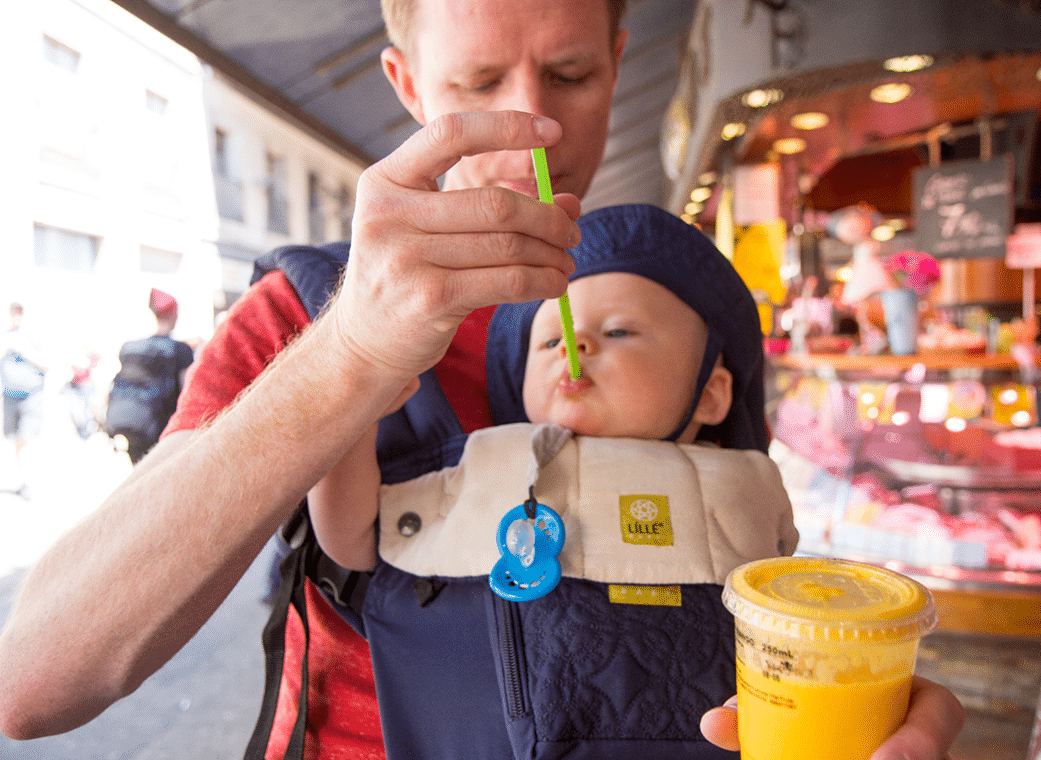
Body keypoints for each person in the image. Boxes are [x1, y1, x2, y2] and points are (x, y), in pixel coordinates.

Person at [0, 0, 963, 757]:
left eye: (573, 73)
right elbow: (35, 679)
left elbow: (739, 581)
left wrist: (850, 698)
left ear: (621, 62)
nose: (531, 121)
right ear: (407, 82)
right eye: (477, 81)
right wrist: (351, 354)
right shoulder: (310, 308)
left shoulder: (668, 312)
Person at [307, 204, 797, 757]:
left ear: (712, 394)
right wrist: (351, 406)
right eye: (547, 342)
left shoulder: (751, 482)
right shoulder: (485, 461)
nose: (575, 342)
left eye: (619, 330)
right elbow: (353, 539)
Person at [104, 289, 195, 464]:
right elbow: (187, 393)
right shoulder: (180, 350)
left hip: (132, 423)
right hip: (162, 430)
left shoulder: (130, 347)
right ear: (174, 316)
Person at [0, 303, 49, 499]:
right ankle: (24, 479)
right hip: (10, 397)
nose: (16, 316)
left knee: (27, 439)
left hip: (31, 398)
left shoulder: (34, 337)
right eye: (14, 312)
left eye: (20, 312)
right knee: (15, 440)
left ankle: (30, 482)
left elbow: (48, 363)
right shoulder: (5, 336)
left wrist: (24, 349)